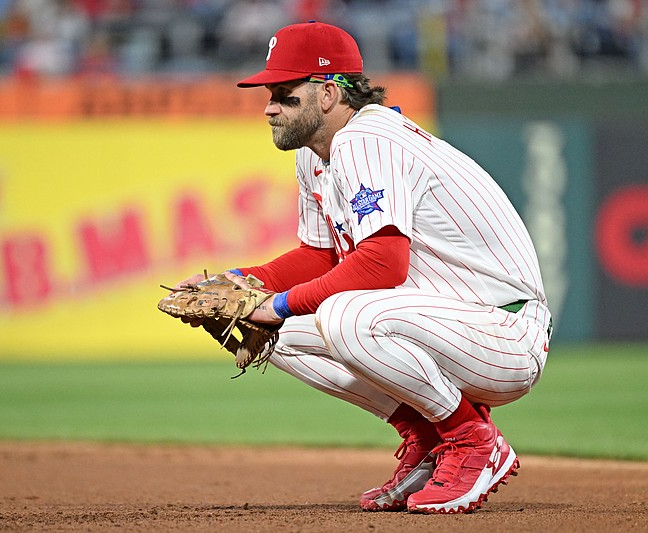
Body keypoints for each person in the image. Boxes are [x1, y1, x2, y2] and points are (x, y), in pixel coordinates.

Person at [173, 21, 552, 514]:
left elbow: (383, 264)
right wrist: (240, 283)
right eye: (270, 94)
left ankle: (472, 441)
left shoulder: (366, 140)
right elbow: (319, 257)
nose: (269, 107)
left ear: (329, 93)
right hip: (446, 324)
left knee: (341, 315)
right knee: (260, 325)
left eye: (285, 94)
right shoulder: (315, 155)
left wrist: (279, 303)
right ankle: (427, 437)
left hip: (504, 331)